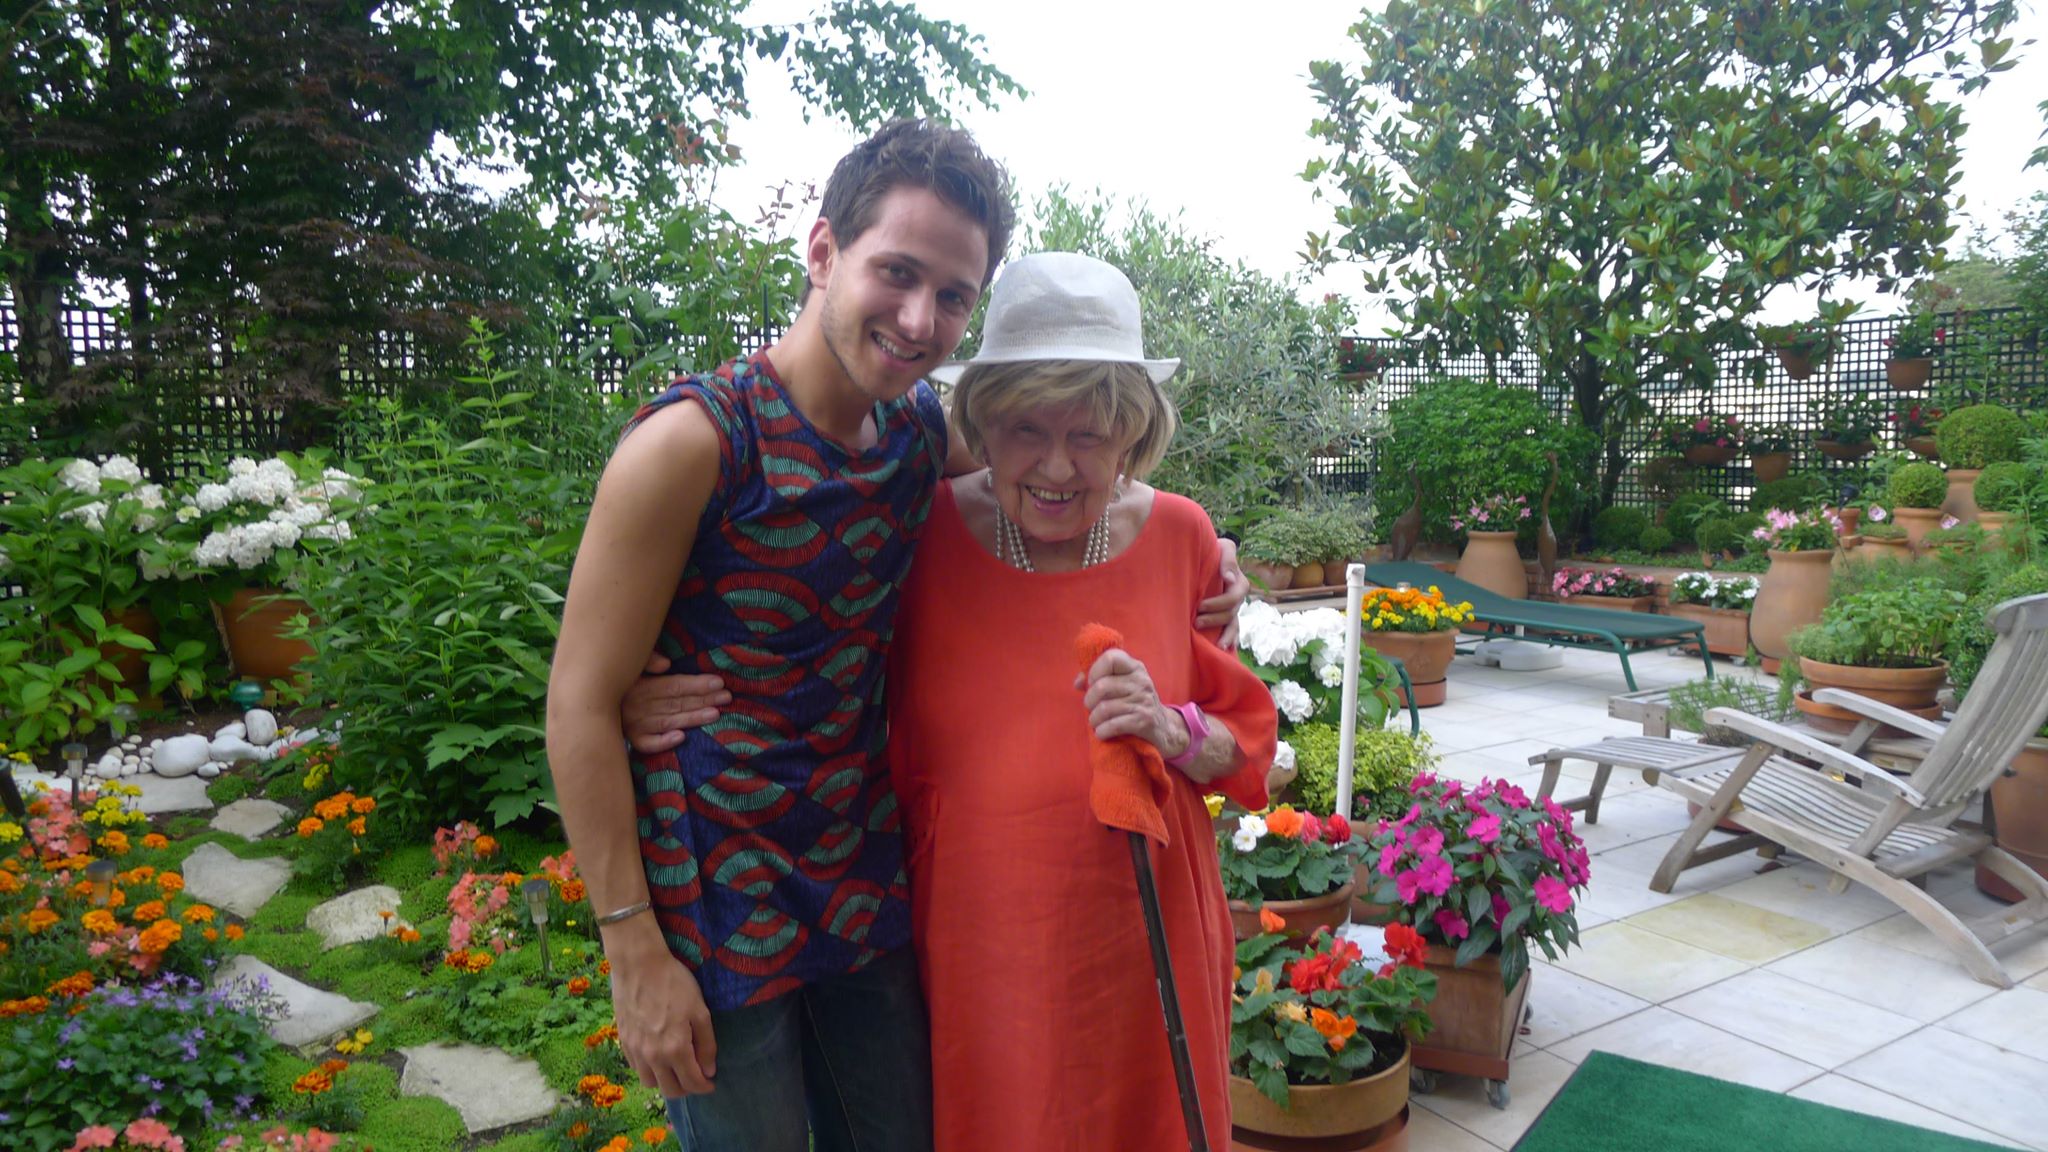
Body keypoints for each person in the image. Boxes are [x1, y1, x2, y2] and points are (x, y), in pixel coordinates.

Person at [549, 122, 1246, 1152]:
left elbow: (1056, 466)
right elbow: (576, 703)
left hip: (865, 884)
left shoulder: (918, 434)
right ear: (823, 250)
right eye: (897, 272)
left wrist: (1207, 560)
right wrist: (630, 950)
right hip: (718, 897)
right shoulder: (694, 444)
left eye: (954, 295)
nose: (920, 319)